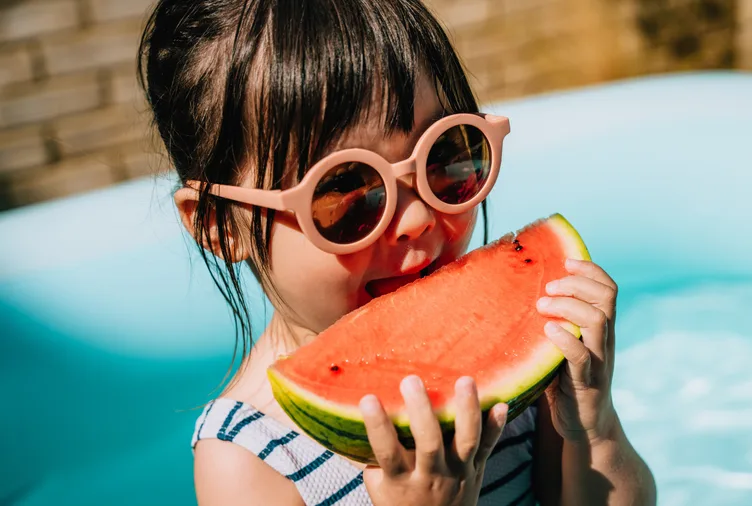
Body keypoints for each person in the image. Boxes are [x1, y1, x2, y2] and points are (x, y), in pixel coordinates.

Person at [138, 0, 656, 504]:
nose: (416, 219)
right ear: (221, 224)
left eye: (446, 155)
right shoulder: (250, 457)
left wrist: (595, 429)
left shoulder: (519, 348)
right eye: (345, 193)